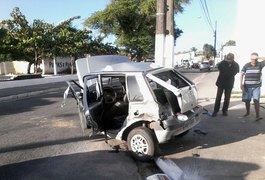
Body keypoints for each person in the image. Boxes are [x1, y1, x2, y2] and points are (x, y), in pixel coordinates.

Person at [240, 52, 265, 120]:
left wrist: (258, 57)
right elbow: (242, 74)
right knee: (247, 100)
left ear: (256, 59)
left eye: (254, 59)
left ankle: (257, 115)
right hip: (247, 86)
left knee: (256, 100)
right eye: (252, 59)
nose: (253, 60)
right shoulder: (247, 65)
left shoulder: (260, 64)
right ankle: (247, 112)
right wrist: (241, 84)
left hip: (256, 86)